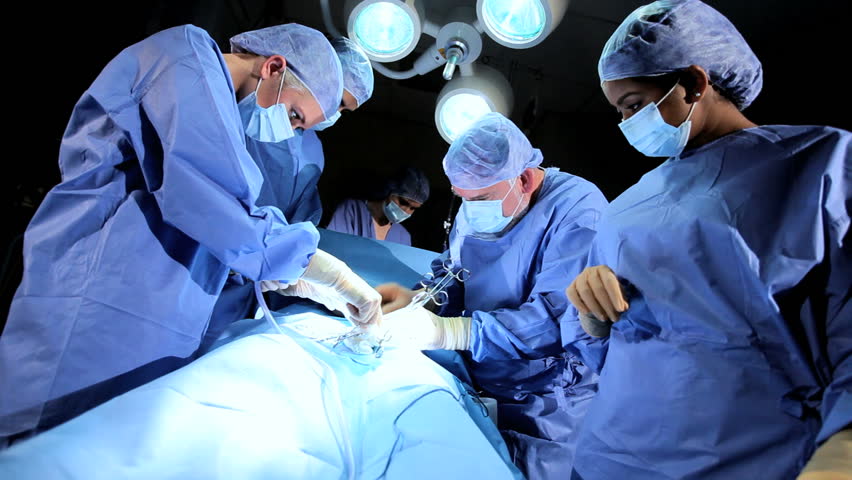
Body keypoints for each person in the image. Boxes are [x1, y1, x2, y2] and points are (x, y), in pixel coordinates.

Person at [0, 23, 382, 445]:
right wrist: (325, 271)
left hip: (158, 318)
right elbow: (212, 204)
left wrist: (282, 277)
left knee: (99, 450)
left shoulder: (225, 116)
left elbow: (212, 226)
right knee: (36, 446)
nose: (291, 131)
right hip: (94, 294)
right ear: (274, 67)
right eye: (294, 115)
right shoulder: (184, 60)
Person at [563, 1, 851, 478]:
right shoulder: (626, 208)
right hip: (609, 455)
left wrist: (842, 448)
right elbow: (601, 356)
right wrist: (592, 317)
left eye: (634, 105)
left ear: (696, 82)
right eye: (619, 112)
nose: (626, 124)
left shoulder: (817, 167)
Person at [376, 113, 609, 478]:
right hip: (480, 377)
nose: (472, 209)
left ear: (525, 179)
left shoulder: (578, 209)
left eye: (481, 198)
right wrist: (420, 299)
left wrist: (449, 332)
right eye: (463, 198)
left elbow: (556, 319)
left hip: (544, 400)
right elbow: (452, 271)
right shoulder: (479, 203)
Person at [202, 36, 376, 352]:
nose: (331, 113)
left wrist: (299, 276)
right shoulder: (232, 108)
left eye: (342, 108)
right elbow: (210, 206)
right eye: (332, 98)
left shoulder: (312, 152)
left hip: (240, 290)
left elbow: (296, 226)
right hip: (195, 263)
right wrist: (332, 276)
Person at [326, 166, 430, 246]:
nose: (406, 211)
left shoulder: (403, 236)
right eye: (403, 202)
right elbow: (333, 249)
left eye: (413, 208)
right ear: (389, 191)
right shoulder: (352, 211)